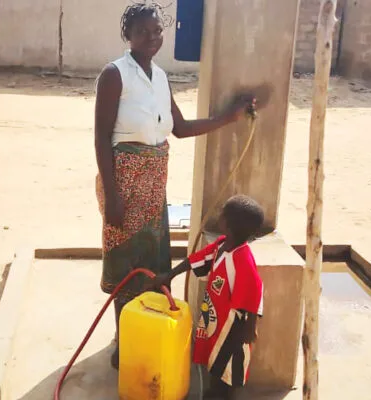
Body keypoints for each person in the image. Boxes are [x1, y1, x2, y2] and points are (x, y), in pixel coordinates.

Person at [94, 2, 258, 369]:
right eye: (143, 32)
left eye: (157, 31)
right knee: (124, 261)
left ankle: (144, 329)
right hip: (124, 179)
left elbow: (180, 129)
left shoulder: (160, 77)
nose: (152, 37)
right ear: (128, 36)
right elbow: (102, 139)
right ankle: (125, 338)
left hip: (155, 183)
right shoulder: (114, 74)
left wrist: (229, 117)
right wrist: (113, 198)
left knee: (152, 261)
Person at [153, 195, 265, 400]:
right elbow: (196, 260)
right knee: (214, 360)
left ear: (228, 226)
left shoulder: (242, 259)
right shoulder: (222, 245)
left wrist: (251, 328)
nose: (219, 214)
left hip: (233, 327)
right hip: (216, 317)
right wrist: (169, 275)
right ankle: (214, 392)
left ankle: (222, 395)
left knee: (227, 365)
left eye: (223, 213)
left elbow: (254, 292)